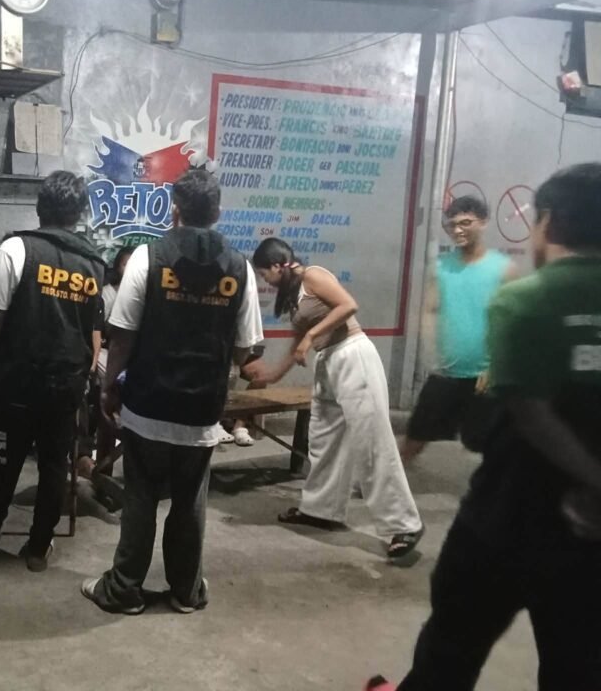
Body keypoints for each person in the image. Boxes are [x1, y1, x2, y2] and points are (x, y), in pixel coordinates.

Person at [371, 164, 601, 691]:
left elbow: (529, 411)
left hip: (506, 521)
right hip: (590, 540)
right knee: (577, 666)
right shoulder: (463, 273)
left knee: (450, 653)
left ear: (549, 223)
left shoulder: (525, 298)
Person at [81, 169, 263, 615]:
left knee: (140, 498)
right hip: (202, 409)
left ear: (175, 210)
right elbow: (245, 349)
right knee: (190, 501)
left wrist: (109, 387)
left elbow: (122, 336)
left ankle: (124, 590)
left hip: (148, 403)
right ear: (217, 212)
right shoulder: (239, 267)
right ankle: (186, 590)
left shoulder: (148, 257)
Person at [0, 171, 105, 572]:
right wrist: (85, 377)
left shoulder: (17, 249)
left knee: (5, 458)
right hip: (66, 384)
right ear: (79, 214)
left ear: (40, 207)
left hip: (19, 382)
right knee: (54, 465)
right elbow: (93, 329)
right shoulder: (93, 263)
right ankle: (38, 546)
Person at [249, 238, 423, 561]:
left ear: (277, 265)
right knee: (324, 439)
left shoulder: (313, 275)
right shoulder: (294, 295)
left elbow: (348, 306)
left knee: (372, 441)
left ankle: (404, 525)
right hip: (328, 361)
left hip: (353, 356)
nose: (265, 281)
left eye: (264, 274)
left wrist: (312, 336)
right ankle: (321, 509)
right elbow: (297, 345)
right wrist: (271, 375)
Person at [400, 195, 517, 465]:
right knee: (415, 437)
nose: (457, 230)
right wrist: (431, 354)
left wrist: (497, 365)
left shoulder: (504, 269)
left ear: (483, 222)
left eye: (465, 223)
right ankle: (385, 482)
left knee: (488, 447)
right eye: (452, 225)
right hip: (447, 374)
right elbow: (430, 310)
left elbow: (512, 322)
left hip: (486, 377)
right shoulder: (441, 267)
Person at [75, 244, 135, 481]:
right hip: (109, 350)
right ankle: (90, 456)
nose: (129, 269)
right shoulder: (106, 294)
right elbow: (100, 332)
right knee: (102, 379)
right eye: (125, 263)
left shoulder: (145, 293)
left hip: (133, 353)